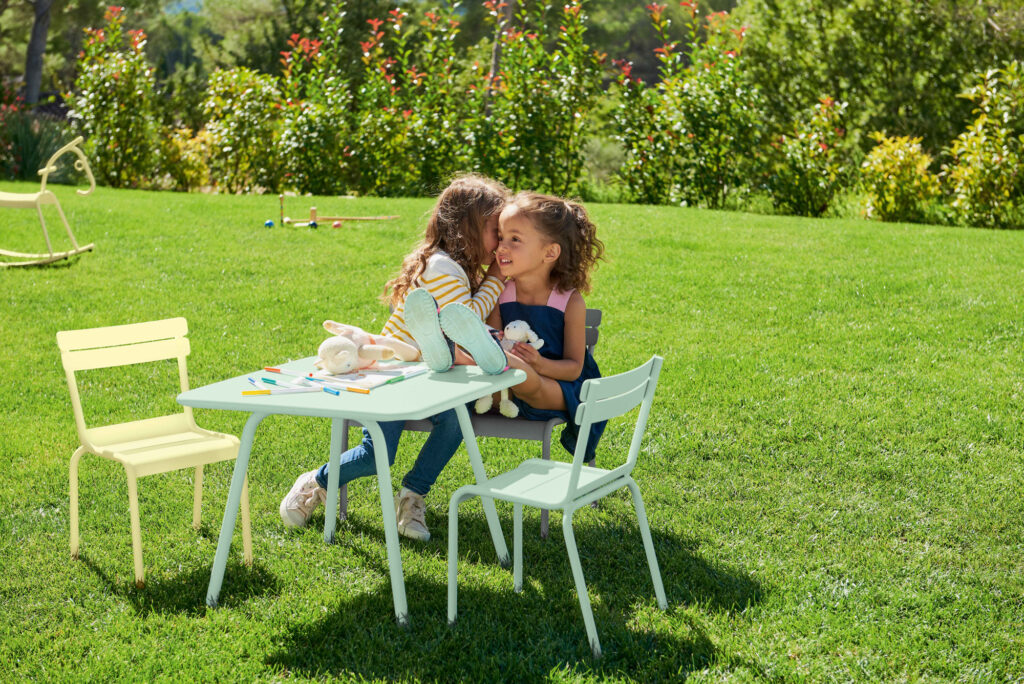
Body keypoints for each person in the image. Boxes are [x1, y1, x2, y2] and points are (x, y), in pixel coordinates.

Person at [279, 174, 510, 541]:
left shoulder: (453, 265)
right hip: (394, 373)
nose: (500, 240)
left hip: (428, 375)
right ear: (466, 228)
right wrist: (496, 277)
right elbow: (467, 321)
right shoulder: (444, 269)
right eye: (494, 230)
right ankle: (316, 482)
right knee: (377, 456)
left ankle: (413, 495)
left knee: (454, 424)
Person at [412, 191, 607, 462]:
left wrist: (538, 364)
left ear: (550, 252)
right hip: (506, 385)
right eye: (501, 237)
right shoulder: (501, 293)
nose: (501, 247)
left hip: (555, 388)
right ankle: (448, 354)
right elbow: (493, 342)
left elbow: (574, 368)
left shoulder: (569, 301)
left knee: (525, 377)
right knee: (484, 368)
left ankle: (457, 355)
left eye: (515, 239)